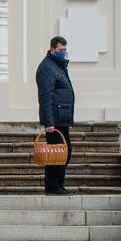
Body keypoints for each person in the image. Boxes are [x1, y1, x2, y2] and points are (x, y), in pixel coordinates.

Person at [35, 36, 76, 195]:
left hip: (62, 118)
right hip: (55, 119)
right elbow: (45, 96)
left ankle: (58, 184)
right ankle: (53, 186)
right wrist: (49, 122)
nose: (63, 52)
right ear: (52, 49)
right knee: (56, 154)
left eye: (65, 49)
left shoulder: (57, 66)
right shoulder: (47, 67)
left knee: (65, 152)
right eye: (60, 50)